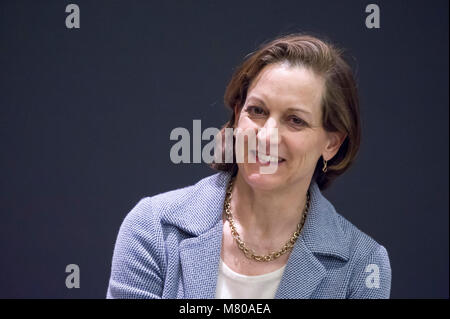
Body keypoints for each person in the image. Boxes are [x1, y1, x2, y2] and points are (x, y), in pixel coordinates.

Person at [106, 33, 392, 299]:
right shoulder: (152, 227)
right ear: (237, 114)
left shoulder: (362, 264)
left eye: (295, 120)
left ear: (332, 143)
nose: (266, 136)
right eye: (257, 111)